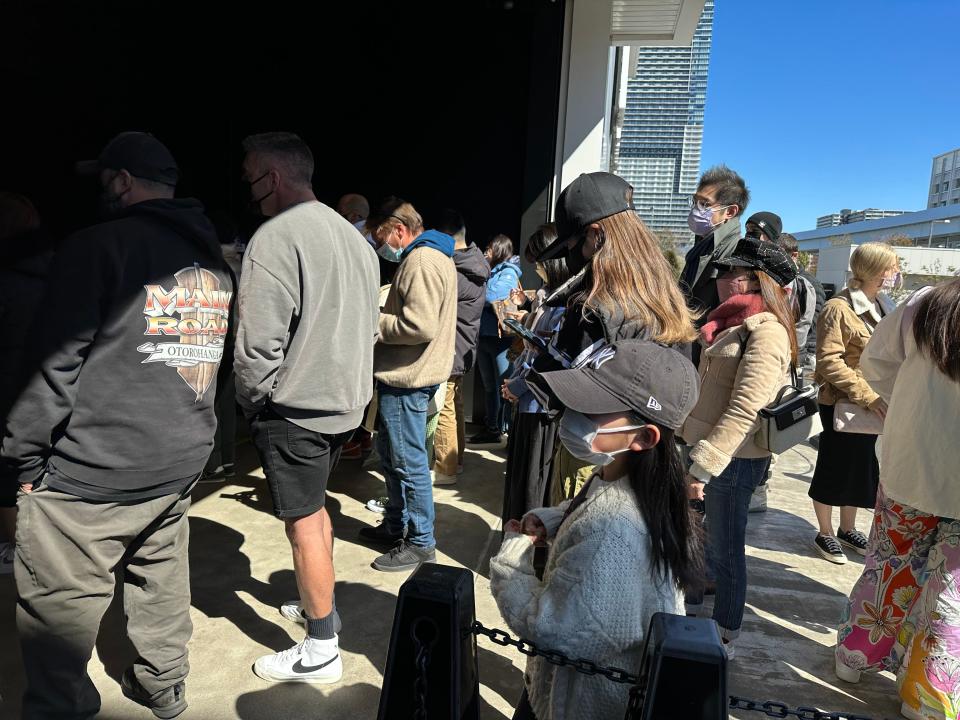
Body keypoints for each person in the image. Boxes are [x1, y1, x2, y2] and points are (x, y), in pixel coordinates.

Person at [0, 131, 234, 719]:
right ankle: (164, 684)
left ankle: (62, 707)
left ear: (121, 181)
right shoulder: (213, 259)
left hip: (92, 473)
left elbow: (51, 366)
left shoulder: (96, 247)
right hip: (178, 459)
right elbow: (215, 361)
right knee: (160, 573)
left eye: (104, 179)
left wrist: (20, 462)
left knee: (61, 605)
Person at [490, 339, 702, 720]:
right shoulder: (631, 483)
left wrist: (512, 557)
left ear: (643, 436)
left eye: (595, 408)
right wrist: (557, 520)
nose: (574, 414)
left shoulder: (613, 530)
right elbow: (595, 512)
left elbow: (555, 631)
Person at [234, 132, 380, 683]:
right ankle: (323, 610)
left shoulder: (274, 238)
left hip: (294, 410)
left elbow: (255, 347)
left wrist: (256, 405)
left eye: (251, 179)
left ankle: (321, 648)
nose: (250, 191)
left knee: (303, 525)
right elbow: (368, 331)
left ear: (271, 178)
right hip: (342, 407)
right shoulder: (356, 240)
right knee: (316, 514)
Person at [834, 278, 960, 720]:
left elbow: (876, 363)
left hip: (910, 461)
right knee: (953, 589)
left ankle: (855, 656)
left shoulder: (926, 302)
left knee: (890, 563)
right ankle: (925, 696)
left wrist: (911, 400)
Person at [534, 172, 698, 502]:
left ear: (595, 235)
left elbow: (556, 389)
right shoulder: (666, 296)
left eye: (570, 246)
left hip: (597, 451)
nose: (570, 258)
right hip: (648, 452)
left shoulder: (596, 305)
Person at [680, 236, 798, 656]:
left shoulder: (767, 332)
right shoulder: (724, 323)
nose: (722, 279)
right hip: (699, 449)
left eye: (732, 273)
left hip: (732, 458)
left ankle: (725, 631)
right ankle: (688, 613)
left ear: (756, 282)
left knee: (724, 549)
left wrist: (703, 467)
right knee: (694, 539)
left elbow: (747, 407)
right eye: (723, 272)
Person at [358, 198, 458, 572]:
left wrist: (374, 322)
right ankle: (397, 525)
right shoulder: (431, 256)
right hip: (408, 376)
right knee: (395, 458)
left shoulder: (421, 260)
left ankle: (420, 542)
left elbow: (419, 326)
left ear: (398, 230)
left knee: (408, 462)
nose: (381, 246)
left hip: (408, 377)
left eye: (381, 237)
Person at [808, 242, 898, 564]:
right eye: (890, 267)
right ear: (875, 270)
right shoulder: (838, 308)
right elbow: (829, 362)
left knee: (862, 470)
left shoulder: (885, 306)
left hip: (875, 405)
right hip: (843, 403)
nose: (894, 273)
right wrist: (868, 395)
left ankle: (848, 528)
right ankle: (825, 532)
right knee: (833, 467)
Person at [500, 224, 570, 523]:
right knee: (520, 483)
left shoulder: (567, 302)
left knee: (532, 489)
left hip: (541, 407)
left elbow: (554, 360)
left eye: (539, 261)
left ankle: (528, 554)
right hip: (528, 401)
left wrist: (518, 385)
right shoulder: (549, 296)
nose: (536, 268)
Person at [0, 192, 52, 574]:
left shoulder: (6, 276)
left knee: (7, 472)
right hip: (55, 388)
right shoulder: (63, 266)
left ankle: (16, 554)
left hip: (11, 391)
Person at [432, 209, 489, 485]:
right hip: (465, 345)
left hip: (450, 347)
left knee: (444, 408)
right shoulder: (475, 264)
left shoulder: (455, 270)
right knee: (455, 404)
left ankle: (446, 468)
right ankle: (458, 460)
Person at [679, 165, 750, 364]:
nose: (696, 209)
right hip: (687, 347)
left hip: (704, 355)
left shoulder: (735, 254)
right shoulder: (704, 245)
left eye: (705, 204)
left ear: (730, 211)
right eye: (695, 202)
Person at [469, 234, 522, 445]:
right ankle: (491, 428)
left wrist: (479, 290)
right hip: (484, 336)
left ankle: (508, 430)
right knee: (490, 386)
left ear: (499, 249)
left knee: (505, 386)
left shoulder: (508, 272)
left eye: (490, 247)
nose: (486, 251)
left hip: (501, 340)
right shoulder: (490, 272)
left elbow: (492, 296)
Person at [778, 232, 825, 373]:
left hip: (794, 355)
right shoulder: (775, 278)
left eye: (779, 256)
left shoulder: (809, 284)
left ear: (794, 255)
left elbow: (810, 325)